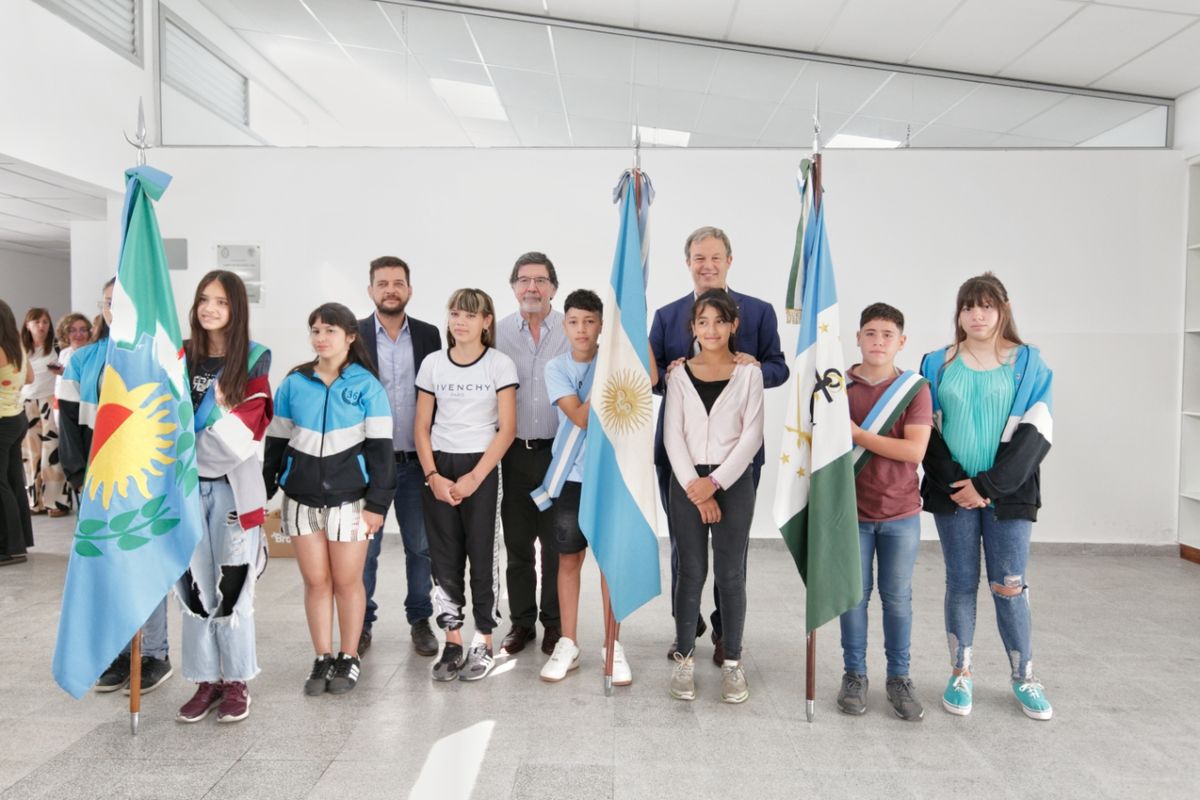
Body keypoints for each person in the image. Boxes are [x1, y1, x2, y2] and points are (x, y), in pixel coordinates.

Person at [920, 273, 1054, 721]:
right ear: (958, 313)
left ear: (1004, 310)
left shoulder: (1029, 363)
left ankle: (1024, 676)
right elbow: (926, 434)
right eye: (969, 306)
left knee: (1009, 586)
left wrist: (988, 487)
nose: (978, 315)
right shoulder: (935, 363)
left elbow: (1038, 431)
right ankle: (961, 672)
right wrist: (962, 486)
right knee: (960, 582)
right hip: (953, 493)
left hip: (1009, 495)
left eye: (987, 306)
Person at [650, 226, 787, 663]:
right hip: (681, 458)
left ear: (729, 260)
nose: (706, 265)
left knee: (732, 554)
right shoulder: (667, 315)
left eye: (715, 257)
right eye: (698, 257)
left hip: (736, 459)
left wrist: (750, 372)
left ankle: (728, 635)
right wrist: (671, 372)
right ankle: (685, 631)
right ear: (687, 262)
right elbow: (652, 379)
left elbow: (779, 368)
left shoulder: (759, 312)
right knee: (683, 551)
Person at [264, 303, 395, 696]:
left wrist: (377, 505)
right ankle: (322, 656)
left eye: (330, 331)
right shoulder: (294, 382)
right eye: (315, 330)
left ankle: (349, 656)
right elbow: (277, 441)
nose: (321, 338)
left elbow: (381, 452)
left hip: (351, 501)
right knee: (315, 581)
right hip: (301, 500)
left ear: (350, 336)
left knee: (347, 581)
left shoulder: (367, 386)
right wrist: (266, 486)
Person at [59, 278, 173, 693]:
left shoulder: (155, 356)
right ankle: (119, 654)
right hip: (95, 483)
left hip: (141, 481)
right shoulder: (82, 361)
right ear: (102, 307)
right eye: (109, 303)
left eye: (123, 302)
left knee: (142, 565)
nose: (116, 309)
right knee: (105, 568)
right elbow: (68, 424)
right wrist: (77, 475)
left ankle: (153, 653)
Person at [174, 271, 273, 724]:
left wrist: (179, 457)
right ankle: (204, 680)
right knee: (193, 587)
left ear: (237, 309)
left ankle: (235, 681)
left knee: (232, 588)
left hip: (231, 490)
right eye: (203, 300)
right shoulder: (181, 356)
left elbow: (245, 428)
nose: (210, 308)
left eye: (221, 301)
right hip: (184, 492)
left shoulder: (253, 360)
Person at [663, 290, 763, 704]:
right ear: (693, 328)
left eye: (720, 322)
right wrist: (695, 486)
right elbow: (672, 434)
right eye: (703, 322)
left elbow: (751, 436)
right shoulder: (678, 374)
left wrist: (716, 483)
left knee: (730, 573)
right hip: (686, 481)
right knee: (690, 571)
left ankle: (734, 664)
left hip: (733, 482)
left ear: (733, 325)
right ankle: (685, 658)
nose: (711, 330)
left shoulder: (749, 374)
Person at [835, 303, 932, 722]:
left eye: (887, 335)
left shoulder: (915, 389)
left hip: (900, 513)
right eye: (870, 333)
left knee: (897, 599)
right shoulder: (837, 387)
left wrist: (857, 435)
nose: (878, 341)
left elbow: (914, 450)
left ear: (901, 342)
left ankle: (899, 677)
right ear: (857, 338)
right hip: (850, 512)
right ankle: (854, 674)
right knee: (853, 599)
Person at [415, 288, 517, 682]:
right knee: (443, 557)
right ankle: (453, 641)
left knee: (482, 555)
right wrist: (433, 476)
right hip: (440, 464)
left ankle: (483, 640)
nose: (460, 321)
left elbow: (507, 429)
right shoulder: (433, 364)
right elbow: (421, 426)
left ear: (486, 322)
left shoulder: (499, 364)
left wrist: (476, 477)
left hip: (482, 465)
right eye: (455, 313)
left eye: (470, 315)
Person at [535, 289, 632, 686]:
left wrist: (627, 348)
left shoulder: (619, 362)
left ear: (601, 327)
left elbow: (654, 377)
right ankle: (569, 642)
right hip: (572, 477)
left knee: (610, 563)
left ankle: (612, 644)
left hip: (611, 476)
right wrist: (613, 375)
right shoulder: (557, 367)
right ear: (564, 324)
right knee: (568, 560)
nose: (581, 329)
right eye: (574, 321)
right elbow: (578, 416)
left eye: (589, 322)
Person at [357, 256, 442, 659]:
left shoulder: (429, 336)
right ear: (370, 289)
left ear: (409, 289)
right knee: (365, 550)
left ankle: (420, 619)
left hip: (414, 461)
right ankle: (361, 622)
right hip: (368, 465)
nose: (390, 289)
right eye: (382, 283)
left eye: (398, 282)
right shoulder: (352, 334)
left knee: (421, 547)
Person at [495, 253, 568, 656]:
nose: (532, 288)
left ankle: (555, 624)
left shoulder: (571, 329)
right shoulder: (499, 332)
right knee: (519, 545)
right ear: (513, 287)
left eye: (540, 280)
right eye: (524, 280)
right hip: (515, 455)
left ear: (554, 287)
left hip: (560, 456)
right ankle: (521, 623)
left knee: (556, 545)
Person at [20, 307, 69, 517]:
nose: (42, 326)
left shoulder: (58, 347)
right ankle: (35, 501)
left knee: (53, 452)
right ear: (28, 325)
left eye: (45, 322)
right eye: (37, 322)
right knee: (31, 454)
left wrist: (62, 371)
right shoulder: (20, 349)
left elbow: (70, 371)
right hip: (26, 403)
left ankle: (56, 502)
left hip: (50, 401)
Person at [0, 300, 33, 567]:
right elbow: (30, 378)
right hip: (16, 417)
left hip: (2, 421)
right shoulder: (18, 349)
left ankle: (7, 547)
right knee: (12, 480)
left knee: (2, 484)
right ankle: (19, 543)